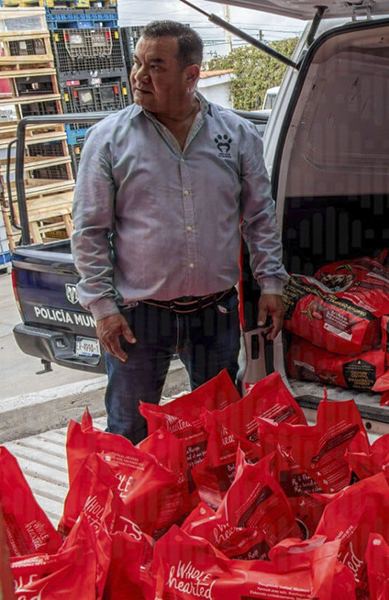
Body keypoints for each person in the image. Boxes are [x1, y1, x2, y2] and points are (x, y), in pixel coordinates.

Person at [71, 21, 288, 444]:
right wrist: (102, 308)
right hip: (137, 318)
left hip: (215, 314)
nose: (139, 76)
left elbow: (260, 215)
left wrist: (271, 283)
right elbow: (90, 231)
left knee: (221, 431)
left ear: (191, 75)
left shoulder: (236, 135)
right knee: (130, 431)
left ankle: (215, 510)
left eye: (155, 66)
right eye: (137, 64)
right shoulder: (108, 140)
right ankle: (137, 508)